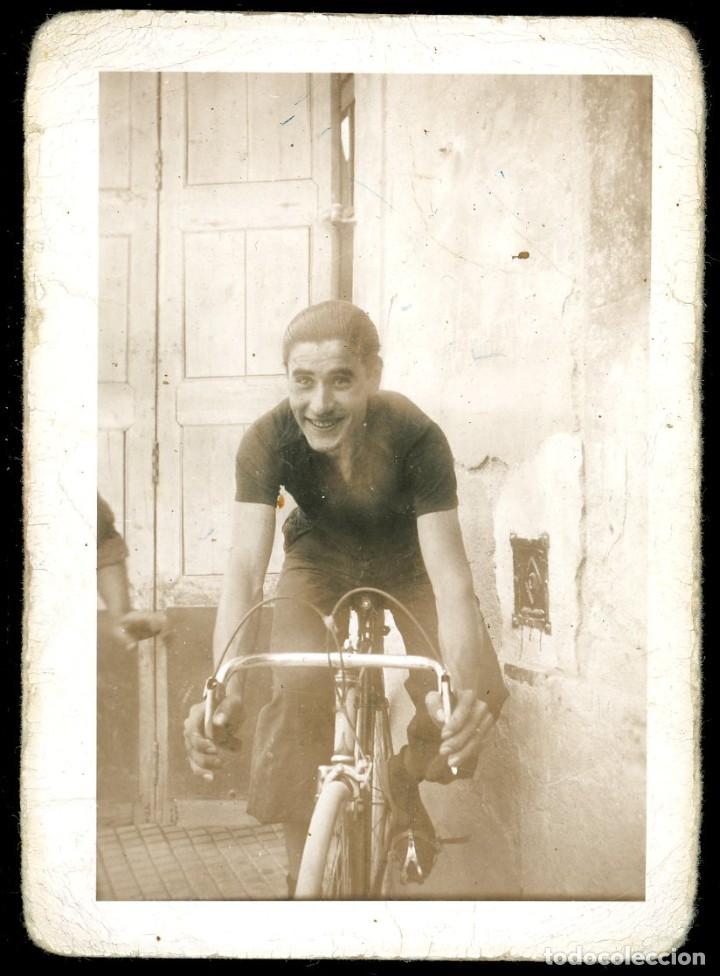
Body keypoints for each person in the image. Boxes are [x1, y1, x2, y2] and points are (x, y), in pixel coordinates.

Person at [183, 301, 508, 895]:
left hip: (407, 557)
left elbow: (453, 581)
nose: (319, 403)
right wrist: (222, 686)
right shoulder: (267, 438)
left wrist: (459, 691)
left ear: (373, 377)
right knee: (296, 689)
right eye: (302, 382)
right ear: (287, 381)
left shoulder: (417, 436)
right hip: (320, 557)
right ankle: (297, 881)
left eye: (341, 380)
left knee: (472, 690)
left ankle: (405, 777)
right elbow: (243, 570)